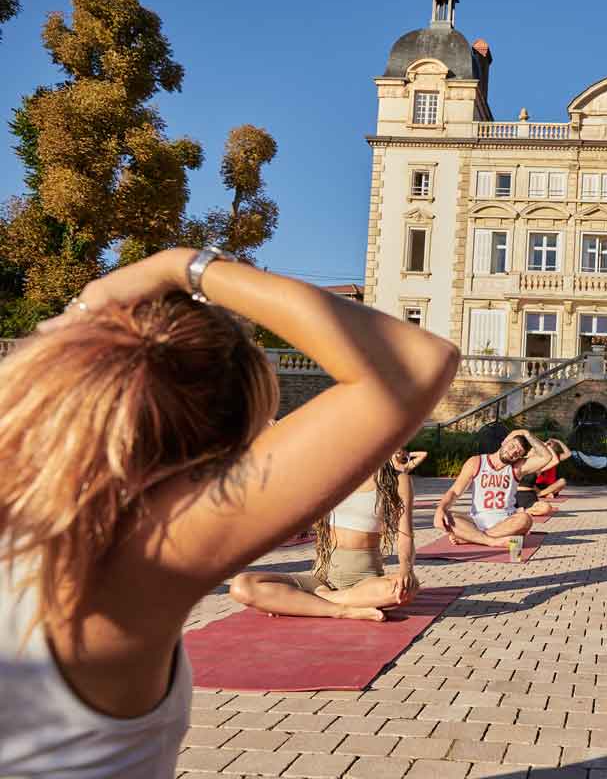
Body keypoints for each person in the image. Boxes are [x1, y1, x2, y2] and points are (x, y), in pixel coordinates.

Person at [0, 247, 458, 777]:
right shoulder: (129, 564)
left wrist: (80, 326)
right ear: (222, 447)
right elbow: (413, 364)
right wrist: (181, 266)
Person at [229, 448, 427, 620]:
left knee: (406, 589)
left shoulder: (397, 480)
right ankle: (344, 610)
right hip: (321, 578)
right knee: (242, 585)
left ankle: (305, 603)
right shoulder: (329, 475)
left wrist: (405, 569)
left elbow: (405, 535)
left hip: (364, 580)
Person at [435, 429, 553, 547]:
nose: (512, 452)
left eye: (518, 453)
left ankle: (472, 538)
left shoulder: (517, 468)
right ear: (504, 442)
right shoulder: (476, 462)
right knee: (447, 517)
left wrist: (527, 433)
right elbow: (455, 491)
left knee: (525, 519)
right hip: (476, 520)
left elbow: (546, 457)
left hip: (506, 522)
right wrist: (441, 508)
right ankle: (492, 541)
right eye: (512, 446)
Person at [516, 437, 569, 516]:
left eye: (536, 452)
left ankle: (523, 511)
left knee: (547, 508)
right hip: (516, 495)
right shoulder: (517, 463)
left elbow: (555, 461)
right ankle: (521, 510)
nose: (534, 452)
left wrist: (546, 446)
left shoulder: (537, 468)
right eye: (533, 450)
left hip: (530, 497)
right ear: (528, 451)